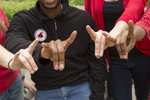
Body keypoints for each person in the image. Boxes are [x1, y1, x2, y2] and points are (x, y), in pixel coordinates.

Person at [5, 0, 107, 100]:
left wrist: (98, 94)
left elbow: (97, 59)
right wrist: (41, 51)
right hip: (45, 91)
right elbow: (13, 42)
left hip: (82, 88)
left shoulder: (83, 18)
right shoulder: (23, 19)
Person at [84, 0, 150, 100]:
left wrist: (115, 33)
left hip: (142, 56)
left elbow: (134, 10)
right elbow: (91, 22)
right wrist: (102, 53)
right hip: (114, 59)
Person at [0, 7, 38, 100]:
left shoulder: (0, 11)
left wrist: (22, 78)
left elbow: (8, 43)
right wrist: (11, 61)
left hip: (14, 80)